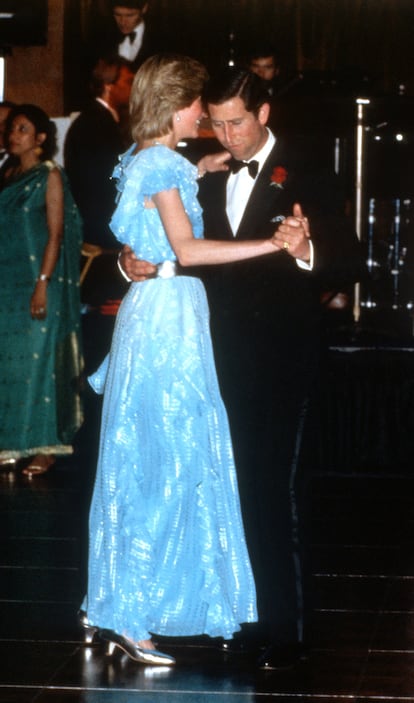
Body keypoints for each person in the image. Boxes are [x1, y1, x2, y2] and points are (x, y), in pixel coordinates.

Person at [120, 66, 364, 670]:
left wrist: (306, 246)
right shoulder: (196, 169)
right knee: (225, 488)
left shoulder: (307, 167)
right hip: (208, 358)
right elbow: (169, 242)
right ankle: (241, 617)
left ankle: (287, 627)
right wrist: (132, 264)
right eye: (216, 123)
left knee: (275, 491)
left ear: (264, 116)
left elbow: (350, 258)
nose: (225, 136)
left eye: (237, 124)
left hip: (283, 359)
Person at [81, 54, 290, 667]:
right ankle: (134, 617)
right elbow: (187, 248)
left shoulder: (146, 158)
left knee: (143, 456)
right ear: (177, 105)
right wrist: (269, 245)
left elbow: (159, 200)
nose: (204, 114)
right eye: (198, 104)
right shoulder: (161, 163)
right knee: (163, 463)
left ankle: (119, 604)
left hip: (158, 314)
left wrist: (204, 162)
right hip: (168, 316)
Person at [0, 104, 83, 476]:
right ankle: (13, 443)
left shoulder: (49, 176)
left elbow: (56, 233)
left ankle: (47, 448)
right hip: (7, 281)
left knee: (39, 365)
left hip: (37, 279)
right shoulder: (7, 174)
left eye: (21, 128)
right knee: (11, 366)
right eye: (11, 129)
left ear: (41, 138)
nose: (13, 134)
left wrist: (43, 284)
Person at [64, 56, 128, 250]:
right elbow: (100, 185)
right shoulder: (94, 124)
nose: (134, 88)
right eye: (128, 82)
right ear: (109, 86)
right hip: (100, 234)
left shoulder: (100, 120)